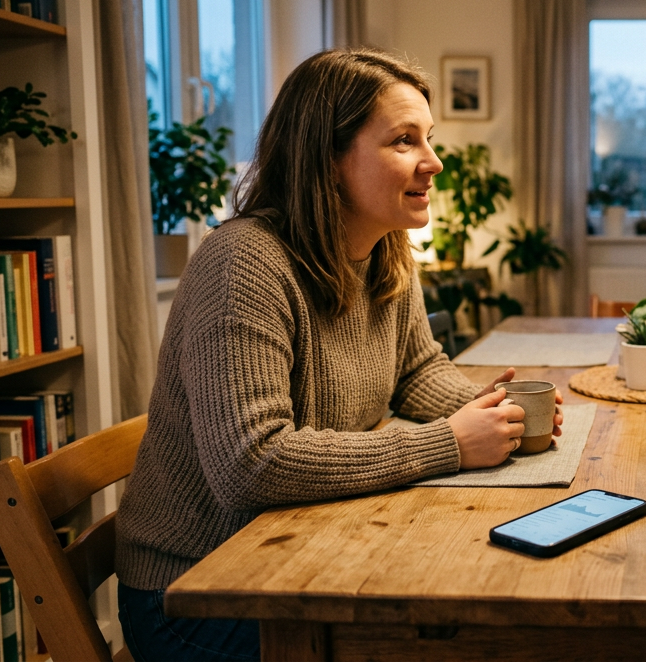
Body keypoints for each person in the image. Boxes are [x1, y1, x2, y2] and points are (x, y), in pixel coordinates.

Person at [114, 48, 561, 662]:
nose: (433, 162)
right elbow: (252, 462)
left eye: (429, 139)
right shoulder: (243, 264)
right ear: (325, 157)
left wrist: (494, 412)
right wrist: (450, 444)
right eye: (405, 141)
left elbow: (416, 370)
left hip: (299, 549)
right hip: (200, 592)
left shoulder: (385, 250)